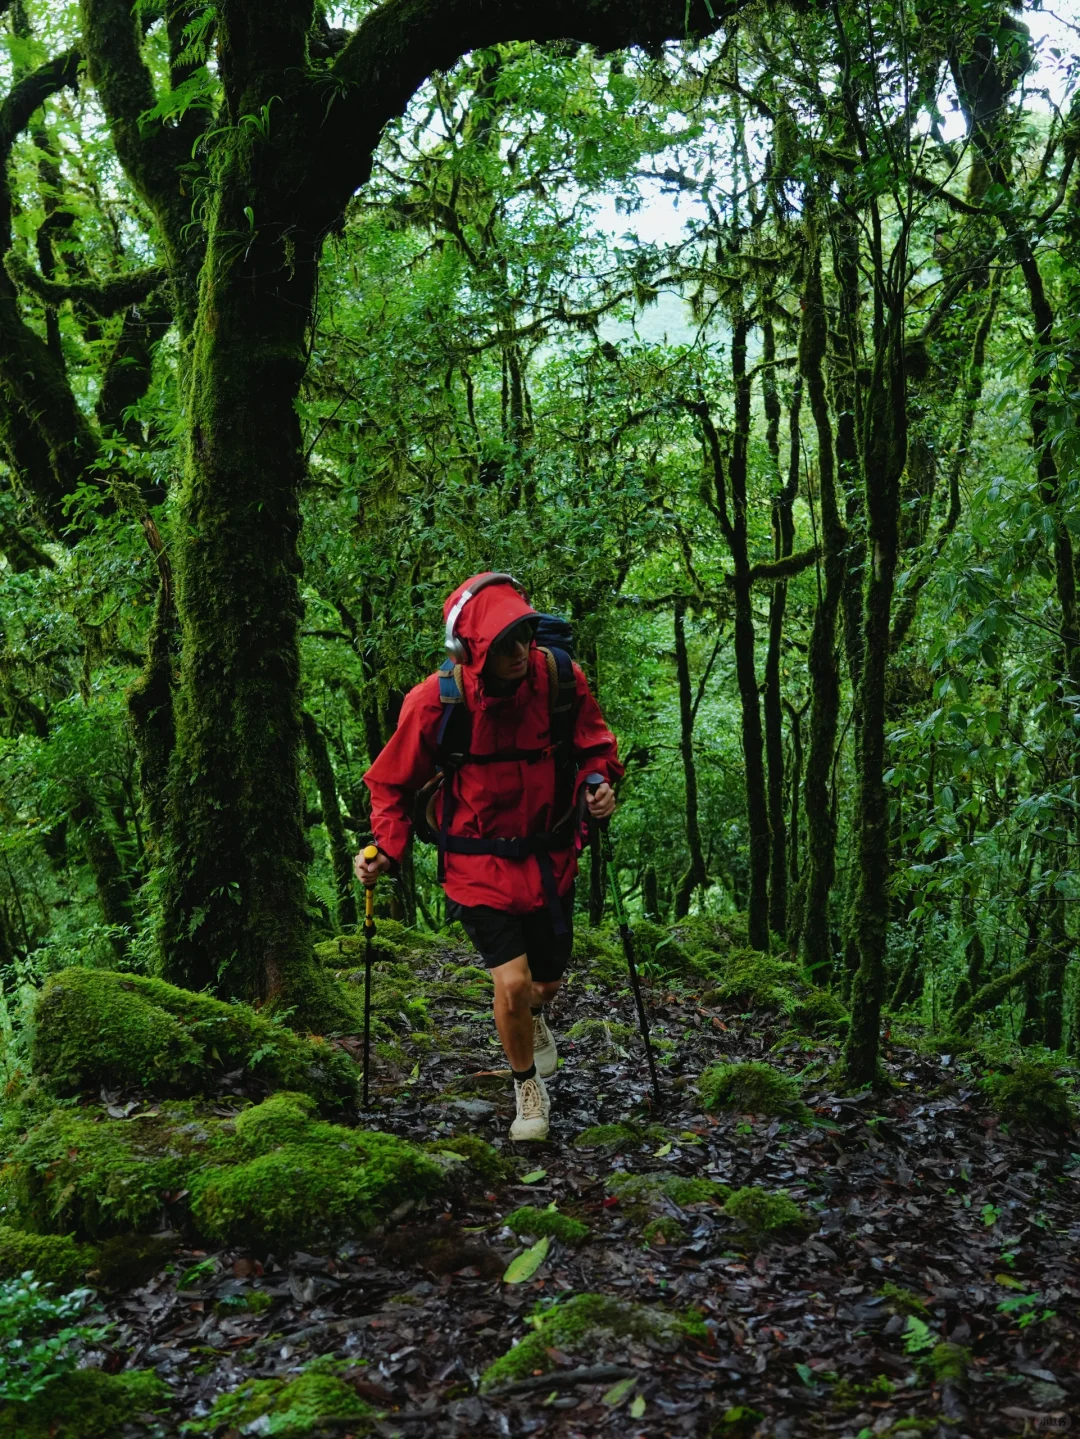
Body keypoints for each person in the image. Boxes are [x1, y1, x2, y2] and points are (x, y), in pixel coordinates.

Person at [356, 573, 622, 1141]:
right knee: (513, 984)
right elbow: (390, 784)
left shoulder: (559, 682)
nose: (520, 652)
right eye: (503, 643)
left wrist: (599, 780)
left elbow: (594, 743)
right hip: (476, 869)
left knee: (545, 984)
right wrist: (387, 848)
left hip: (551, 861)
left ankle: (536, 1018)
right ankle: (527, 1089)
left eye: (524, 636)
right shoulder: (434, 702)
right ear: (470, 648)